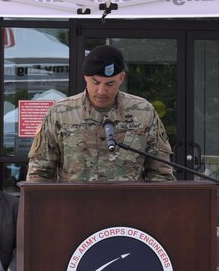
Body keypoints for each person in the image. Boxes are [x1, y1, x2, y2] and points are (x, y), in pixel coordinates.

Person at [26, 44, 174, 182]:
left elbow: (161, 172)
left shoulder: (143, 112)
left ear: (121, 78)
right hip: (73, 207)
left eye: (110, 84)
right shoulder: (60, 113)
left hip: (129, 206)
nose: (102, 91)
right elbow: (39, 173)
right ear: (85, 77)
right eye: (95, 83)